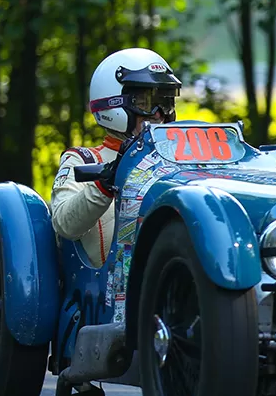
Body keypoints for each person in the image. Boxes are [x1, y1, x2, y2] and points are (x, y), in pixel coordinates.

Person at [51, 47, 181, 261]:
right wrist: (105, 182)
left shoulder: (180, 159)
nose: (159, 113)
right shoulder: (83, 160)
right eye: (145, 102)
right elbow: (64, 224)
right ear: (114, 104)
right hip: (105, 289)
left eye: (165, 101)